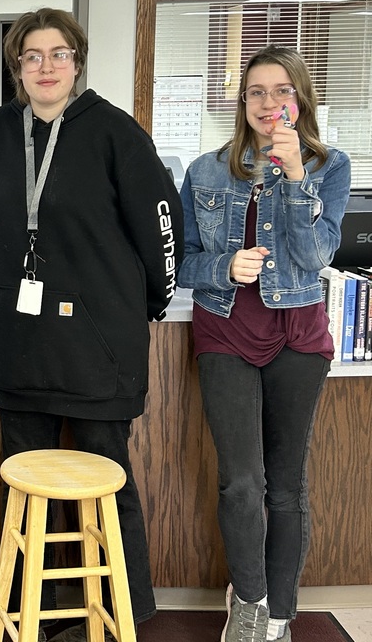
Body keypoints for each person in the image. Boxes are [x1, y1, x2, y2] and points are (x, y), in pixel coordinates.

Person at [0, 8, 183, 642]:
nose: (45, 67)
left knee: (108, 480)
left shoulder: (115, 133)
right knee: (27, 483)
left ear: (77, 62)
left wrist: (151, 304)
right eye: (31, 56)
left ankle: (120, 613)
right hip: (18, 342)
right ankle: (38, 616)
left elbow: (164, 228)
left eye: (57, 54)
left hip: (100, 346)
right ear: (16, 66)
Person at [177, 45, 350, 642]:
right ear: (242, 102)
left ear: (299, 100)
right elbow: (182, 264)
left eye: (281, 92)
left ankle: (281, 608)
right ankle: (248, 603)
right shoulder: (204, 170)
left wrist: (298, 178)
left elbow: (316, 257)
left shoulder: (330, 166)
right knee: (241, 480)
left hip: (299, 334)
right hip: (225, 328)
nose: (268, 103)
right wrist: (225, 267)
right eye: (256, 92)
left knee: (287, 483)